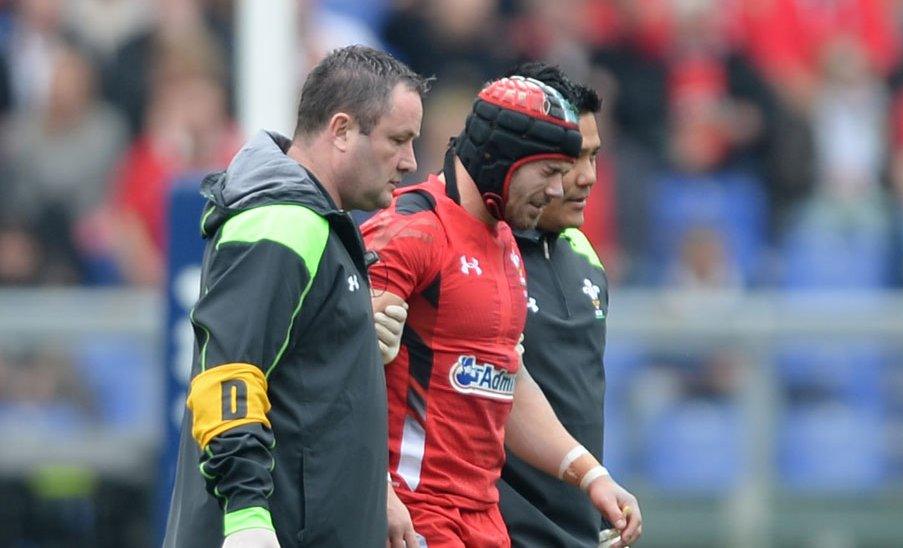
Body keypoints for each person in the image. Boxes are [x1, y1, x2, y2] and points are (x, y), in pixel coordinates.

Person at [163, 45, 428, 548]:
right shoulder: (284, 221)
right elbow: (227, 373)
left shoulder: (316, 222)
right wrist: (246, 521)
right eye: (398, 140)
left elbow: (298, 382)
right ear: (342, 130)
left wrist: (348, 335)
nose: (410, 162)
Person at [361, 75, 642, 548]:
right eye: (549, 172)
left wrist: (591, 475)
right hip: (415, 518)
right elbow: (341, 379)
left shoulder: (507, 244)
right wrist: (379, 492)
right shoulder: (409, 232)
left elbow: (505, 378)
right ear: (502, 161)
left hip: (484, 521)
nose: (559, 190)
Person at [492, 62, 623, 548]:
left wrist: (595, 504)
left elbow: (580, 401)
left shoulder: (583, 251)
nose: (588, 178)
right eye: (572, 161)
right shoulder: (473, 250)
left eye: (595, 157)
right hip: (495, 532)